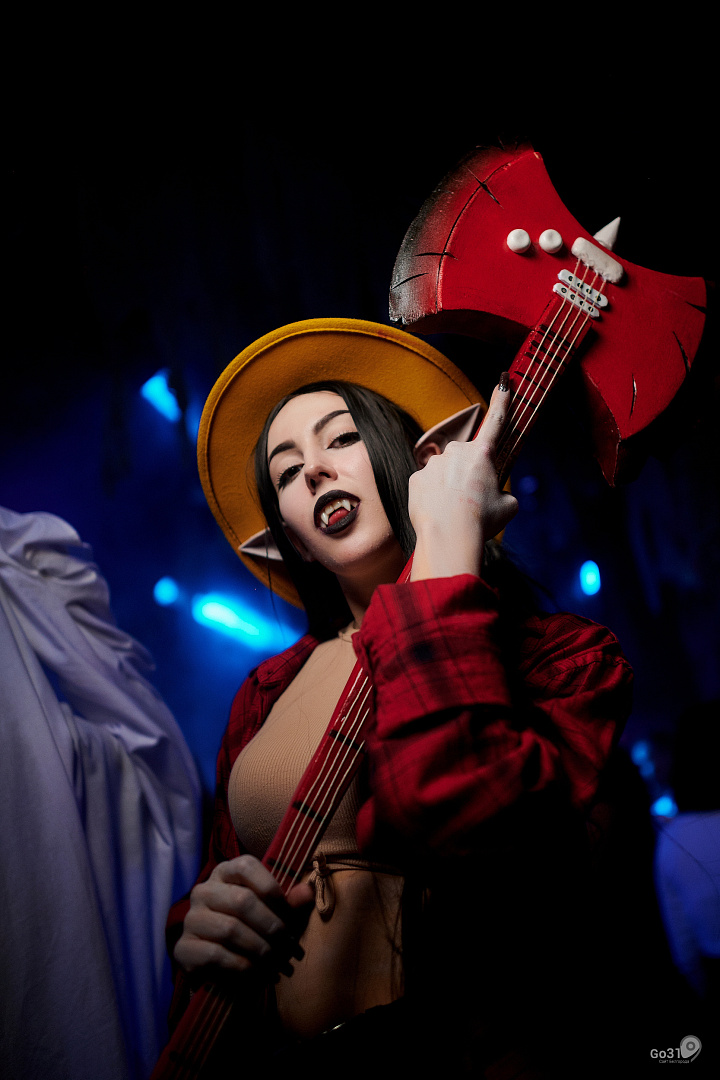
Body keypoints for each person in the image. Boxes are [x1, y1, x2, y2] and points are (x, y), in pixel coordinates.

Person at [163, 318, 633, 1078]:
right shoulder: (264, 693)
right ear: (291, 535)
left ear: (420, 464)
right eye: (287, 472)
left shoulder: (562, 660)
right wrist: (204, 927)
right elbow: (219, 886)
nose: (313, 472)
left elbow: (472, 824)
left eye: (342, 438)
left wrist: (448, 548)